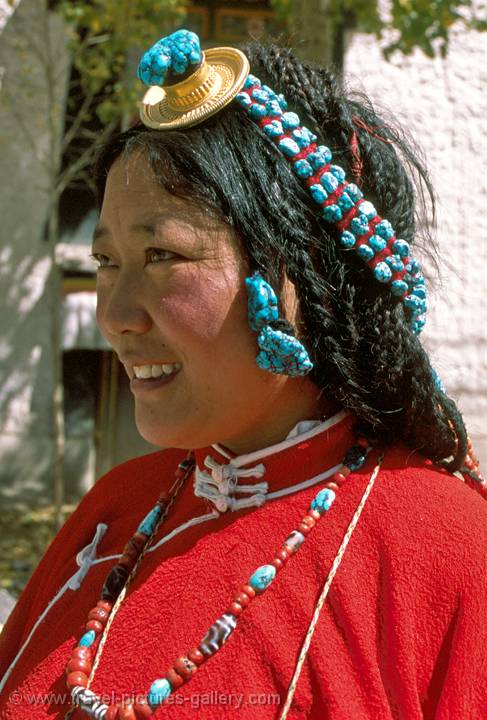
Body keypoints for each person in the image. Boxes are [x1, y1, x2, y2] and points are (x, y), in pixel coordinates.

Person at [0, 28, 486, 720]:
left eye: (164, 255)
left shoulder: (443, 552)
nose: (116, 314)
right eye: (106, 260)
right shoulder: (112, 516)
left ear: (300, 274)